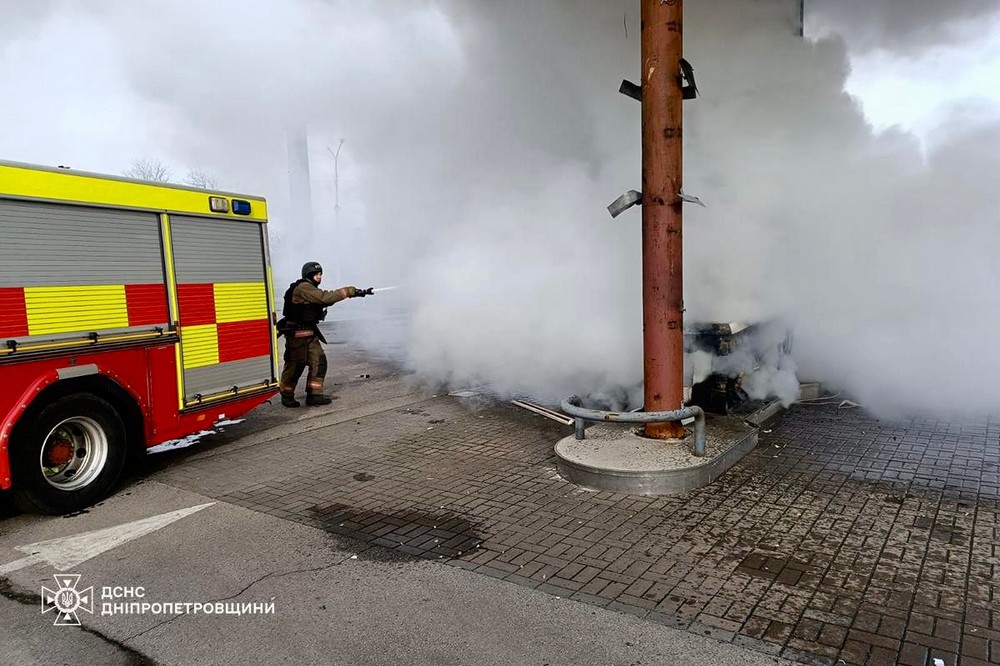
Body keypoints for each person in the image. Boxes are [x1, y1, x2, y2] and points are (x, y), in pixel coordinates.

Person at [278, 261, 373, 407]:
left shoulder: (310, 289)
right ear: (309, 275)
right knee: (295, 365)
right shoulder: (303, 287)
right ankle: (287, 394)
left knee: (319, 362)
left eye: (321, 274)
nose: (320, 277)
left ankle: (315, 395)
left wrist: (360, 293)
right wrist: (350, 291)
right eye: (317, 274)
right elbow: (325, 298)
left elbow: (325, 301)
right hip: (297, 335)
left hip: (309, 333)